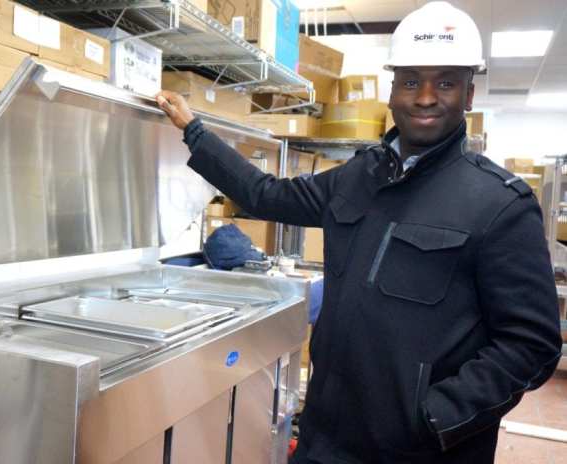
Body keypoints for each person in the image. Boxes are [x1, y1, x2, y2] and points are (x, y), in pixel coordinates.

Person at [156, 1, 562, 462]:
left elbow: (531, 344)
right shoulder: (357, 177)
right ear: (392, 91)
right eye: (411, 81)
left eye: (445, 82)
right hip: (327, 432)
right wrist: (195, 132)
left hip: (420, 450)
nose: (425, 97)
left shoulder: (499, 204)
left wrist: (436, 416)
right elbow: (267, 195)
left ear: (468, 94)